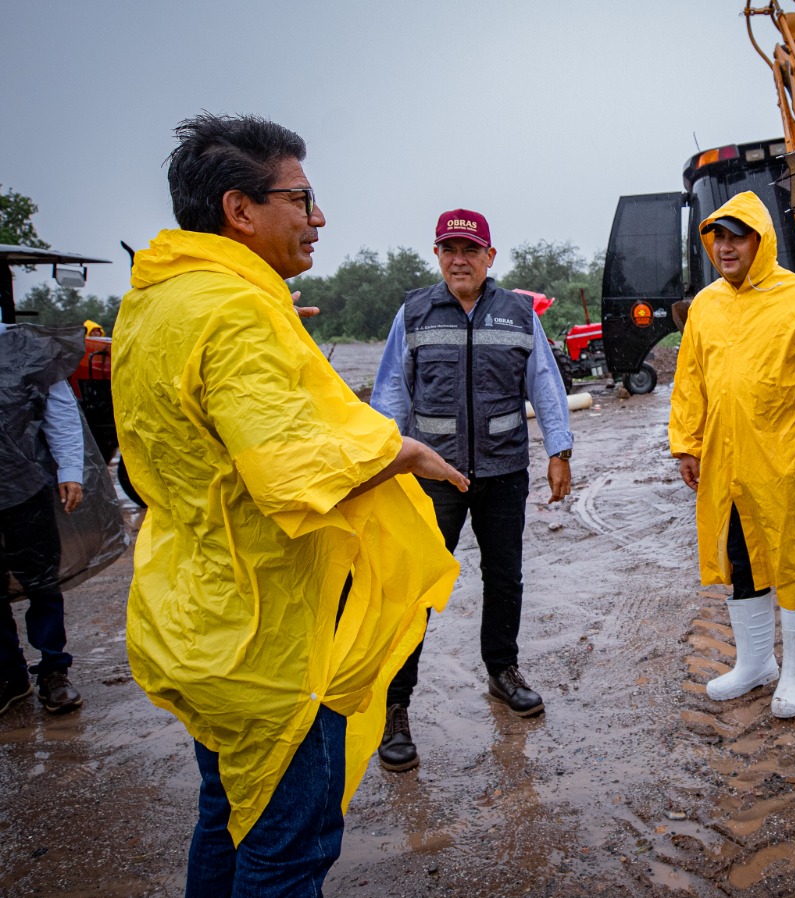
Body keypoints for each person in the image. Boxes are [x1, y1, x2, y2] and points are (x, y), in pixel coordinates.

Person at [113, 113, 465, 895]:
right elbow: (287, 468)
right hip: (275, 639)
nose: (319, 218)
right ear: (240, 209)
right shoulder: (237, 311)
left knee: (226, 812)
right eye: (302, 199)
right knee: (286, 848)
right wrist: (398, 452)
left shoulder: (157, 303)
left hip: (201, 616)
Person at [369, 208, 574, 771]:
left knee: (505, 576)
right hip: (432, 478)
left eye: (470, 250)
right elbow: (390, 392)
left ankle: (502, 671)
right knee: (415, 589)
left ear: (490, 256)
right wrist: (383, 464)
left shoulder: (517, 313)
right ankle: (395, 707)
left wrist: (559, 450)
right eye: (449, 250)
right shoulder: (413, 313)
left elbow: (546, 385)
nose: (459, 260)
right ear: (437, 255)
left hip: (504, 472)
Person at [668, 191, 795, 720]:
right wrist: (687, 443)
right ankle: (755, 663)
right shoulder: (705, 305)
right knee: (740, 558)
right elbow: (691, 381)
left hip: (788, 461)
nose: (725, 248)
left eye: (736, 236)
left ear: (761, 240)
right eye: (717, 237)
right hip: (726, 464)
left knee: (791, 561)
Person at [0, 322, 85, 715]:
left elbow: (59, 406)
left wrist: (69, 469)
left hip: (23, 485)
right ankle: (9, 674)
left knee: (41, 581)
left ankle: (53, 670)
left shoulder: (22, 345)